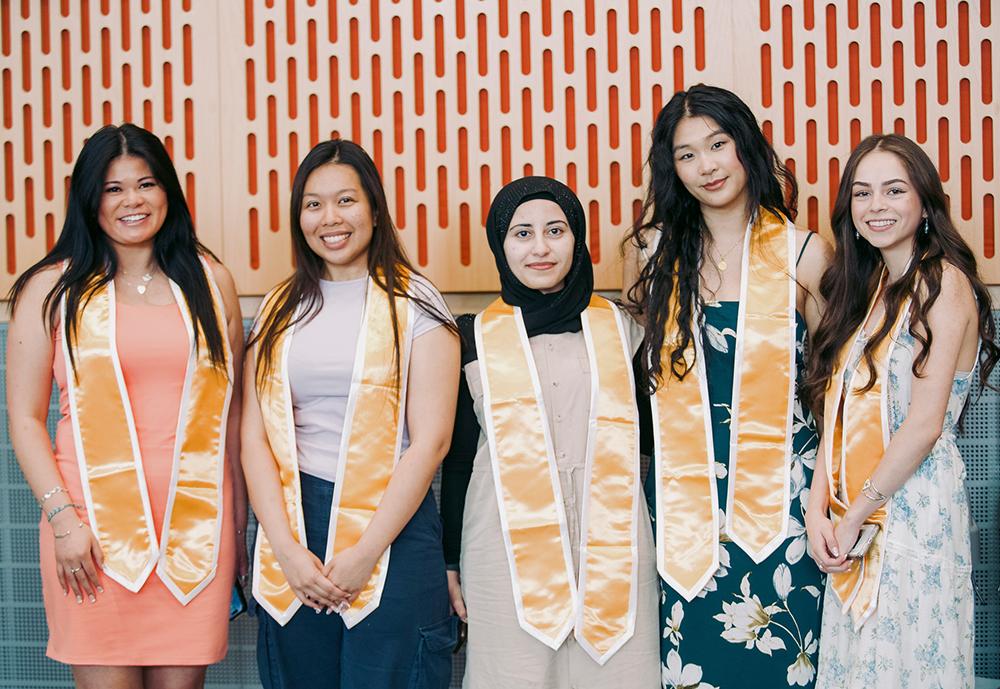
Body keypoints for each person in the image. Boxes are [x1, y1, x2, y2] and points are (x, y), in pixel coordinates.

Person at [6, 123, 246, 689]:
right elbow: (24, 417)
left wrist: (237, 532)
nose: (132, 201)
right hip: (91, 538)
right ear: (89, 199)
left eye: (145, 184)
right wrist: (64, 521)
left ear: (168, 191)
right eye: (113, 189)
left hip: (196, 533)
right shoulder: (52, 289)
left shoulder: (211, 283)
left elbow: (231, 420)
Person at [624, 84, 832, 688]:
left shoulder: (805, 255)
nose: (706, 165)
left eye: (717, 145)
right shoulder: (651, 254)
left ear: (745, 146)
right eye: (686, 155)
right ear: (672, 169)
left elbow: (833, 389)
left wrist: (824, 498)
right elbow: (645, 383)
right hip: (683, 503)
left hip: (786, 504)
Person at [240, 138, 460, 689]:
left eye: (346, 201)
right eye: (313, 204)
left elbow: (431, 442)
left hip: (393, 527)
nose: (329, 219)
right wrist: (287, 550)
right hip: (294, 526)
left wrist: (366, 551)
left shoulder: (418, 303)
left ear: (375, 209)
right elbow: (253, 438)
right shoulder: (277, 307)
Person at [440, 176, 660, 688]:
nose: (540, 247)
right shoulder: (472, 336)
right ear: (500, 244)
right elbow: (458, 459)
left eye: (555, 230)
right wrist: (450, 560)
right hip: (503, 549)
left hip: (617, 546)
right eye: (521, 234)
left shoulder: (623, 328)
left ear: (577, 238)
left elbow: (657, 443)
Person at [803, 133, 999, 688]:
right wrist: (818, 511)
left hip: (914, 507)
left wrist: (854, 514)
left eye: (894, 190)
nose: (877, 206)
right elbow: (835, 414)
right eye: (862, 194)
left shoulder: (945, 284)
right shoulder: (864, 291)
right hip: (853, 511)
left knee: (908, 664)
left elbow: (924, 425)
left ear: (924, 200)